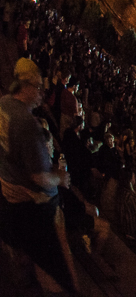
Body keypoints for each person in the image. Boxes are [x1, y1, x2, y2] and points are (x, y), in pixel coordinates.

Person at [0, 57, 78, 294]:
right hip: (31, 201)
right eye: (40, 89)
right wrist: (61, 180)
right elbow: (40, 178)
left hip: (8, 185)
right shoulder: (27, 124)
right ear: (27, 86)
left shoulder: (3, 104)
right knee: (56, 256)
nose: (42, 94)